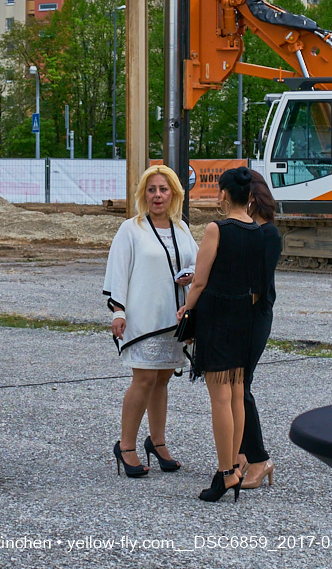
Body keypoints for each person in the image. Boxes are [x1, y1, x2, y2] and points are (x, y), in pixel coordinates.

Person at [103, 165, 198, 477]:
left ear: (174, 194)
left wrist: (192, 275)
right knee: (143, 380)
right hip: (143, 319)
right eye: (152, 189)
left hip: (174, 320)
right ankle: (126, 445)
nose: (158, 195)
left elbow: (197, 262)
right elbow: (119, 272)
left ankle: (157, 442)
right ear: (144, 194)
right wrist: (118, 311)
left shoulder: (181, 228)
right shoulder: (131, 229)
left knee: (162, 380)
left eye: (163, 189)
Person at [177, 167, 265, 502]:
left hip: (217, 316)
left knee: (220, 399)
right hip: (244, 316)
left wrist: (186, 310)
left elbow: (199, 280)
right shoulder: (258, 230)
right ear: (250, 196)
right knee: (237, 392)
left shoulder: (217, 229)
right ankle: (235, 469)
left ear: (224, 194)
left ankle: (226, 472)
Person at [235, 170, 281, 489]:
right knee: (234, 387)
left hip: (253, 316)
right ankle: (241, 454)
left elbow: (257, 286)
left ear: (250, 198)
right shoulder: (250, 230)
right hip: (242, 315)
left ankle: (259, 459)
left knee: (240, 386)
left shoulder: (268, 234)